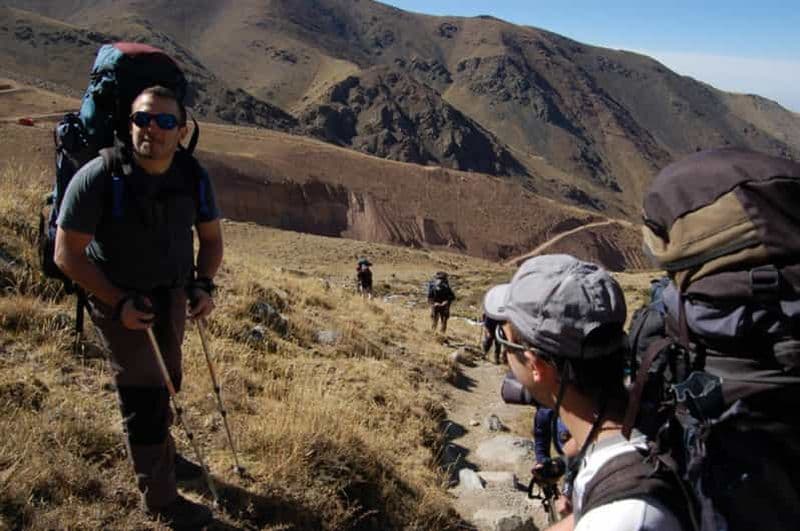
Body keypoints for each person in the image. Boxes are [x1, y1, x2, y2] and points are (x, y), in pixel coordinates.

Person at [54, 85, 223, 528]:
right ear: (129, 124)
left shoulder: (192, 176)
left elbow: (211, 239)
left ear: (182, 130)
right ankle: (162, 500)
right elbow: (66, 254)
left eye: (165, 121)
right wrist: (118, 301)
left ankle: (162, 455)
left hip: (172, 293)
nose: (153, 129)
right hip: (119, 298)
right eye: (143, 119)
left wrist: (203, 285)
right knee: (144, 392)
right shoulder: (99, 175)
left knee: (168, 378)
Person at [483, 254, 685, 531]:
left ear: (535, 365)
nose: (505, 353)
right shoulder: (647, 429)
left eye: (505, 341)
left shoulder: (621, 518)